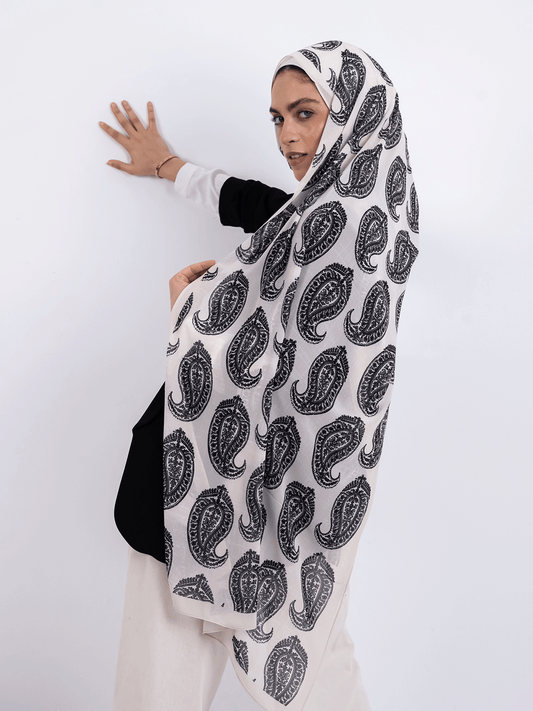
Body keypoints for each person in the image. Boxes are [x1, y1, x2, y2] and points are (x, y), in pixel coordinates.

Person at [100, 41, 419, 711]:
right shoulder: (369, 224)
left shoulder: (340, 232)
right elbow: (257, 205)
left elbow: (267, 364)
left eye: (305, 112)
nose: (287, 136)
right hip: (287, 511)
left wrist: (190, 312)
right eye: (276, 118)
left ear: (358, 114)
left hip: (202, 491)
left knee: (160, 690)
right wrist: (170, 166)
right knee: (321, 666)